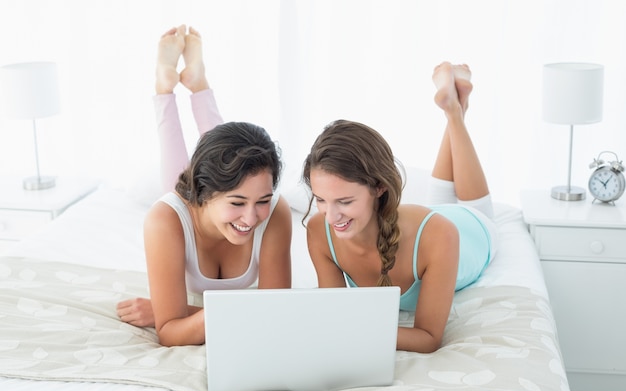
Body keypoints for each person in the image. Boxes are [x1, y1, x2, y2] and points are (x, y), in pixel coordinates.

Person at [302, 62, 497, 354]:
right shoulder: (320, 230)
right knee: (438, 198)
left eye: (345, 201)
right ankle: (453, 106)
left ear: (379, 187)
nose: (331, 216)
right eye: (321, 199)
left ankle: (455, 113)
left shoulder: (441, 235)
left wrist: (354, 332)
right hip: (420, 225)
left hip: (468, 230)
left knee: (470, 208)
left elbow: (428, 338)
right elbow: (336, 314)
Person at [116, 25, 292, 346]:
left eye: (262, 200)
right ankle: (165, 88)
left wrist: (188, 312)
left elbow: (276, 315)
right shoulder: (165, 219)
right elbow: (170, 333)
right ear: (202, 192)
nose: (252, 218)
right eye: (237, 203)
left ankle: (198, 83)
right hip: (188, 206)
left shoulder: (275, 211)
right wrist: (199, 314)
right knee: (177, 176)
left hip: (212, 194)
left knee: (233, 156)